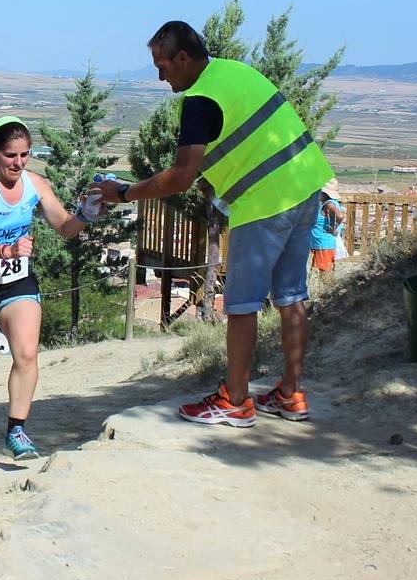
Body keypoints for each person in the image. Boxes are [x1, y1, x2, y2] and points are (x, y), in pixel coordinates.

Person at [92, 21, 334, 427]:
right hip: (307, 186)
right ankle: (292, 394)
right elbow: (248, 138)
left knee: (241, 306)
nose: (159, 75)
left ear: (183, 58)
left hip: (265, 205)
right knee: (292, 296)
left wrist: (125, 192)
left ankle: (236, 400)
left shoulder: (200, 99)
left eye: (162, 64)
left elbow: (180, 176)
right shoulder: (236, 72)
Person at [0, 117, 92, 462]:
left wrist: (88, 214)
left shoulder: (36, 184)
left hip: (16, 279)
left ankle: (17, 430)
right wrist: (5, 251)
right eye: (11, 155)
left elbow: (66, 227)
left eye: (25, 154)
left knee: (26, 353)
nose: (18, 163)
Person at [309, 180, 346, 273]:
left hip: (323, 244)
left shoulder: (329, 204)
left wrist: (333, 228)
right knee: (323, 272)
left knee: (324, 274)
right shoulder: (330, 203)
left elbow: (340, 216)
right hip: (321, 244)